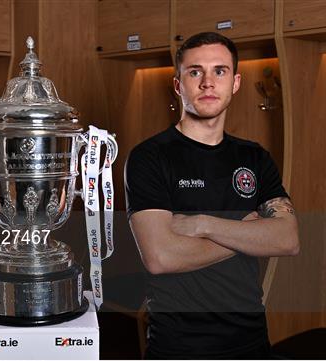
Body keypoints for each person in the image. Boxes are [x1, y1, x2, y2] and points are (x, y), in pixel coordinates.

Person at [124, 32, 299, 359]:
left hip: (251, 341)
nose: (207, 82)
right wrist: (249, 230)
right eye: (195, 72)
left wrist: (204, 224)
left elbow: (287, 238)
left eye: (219, 71)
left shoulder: (255, 158)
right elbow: (162, 257)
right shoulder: (149, 157)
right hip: (179, 345)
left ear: (235, 83)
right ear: (178, 85)